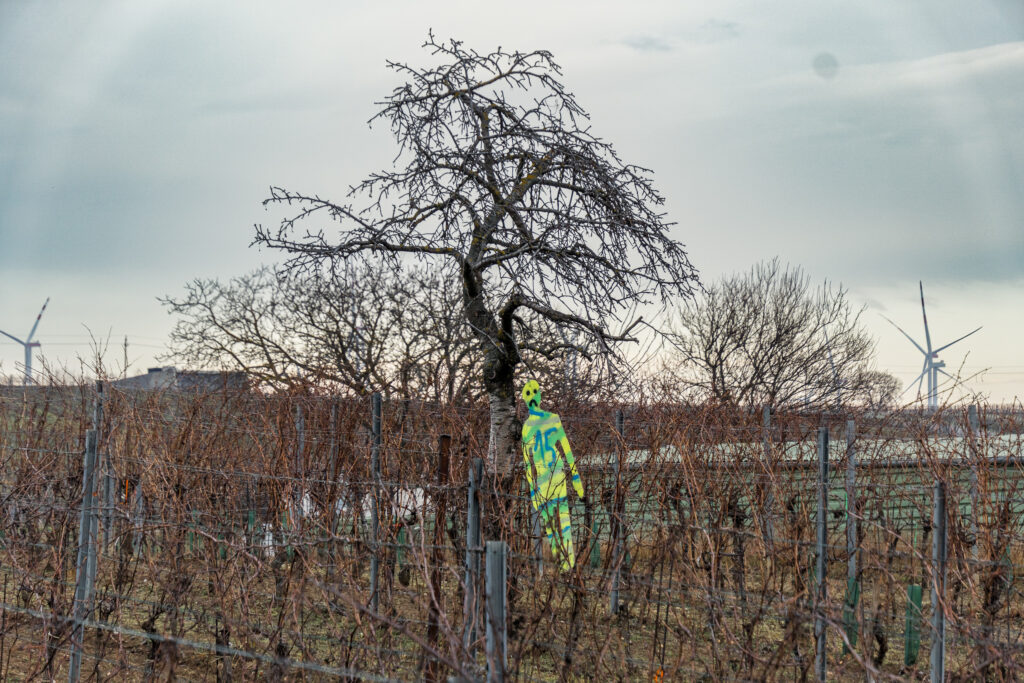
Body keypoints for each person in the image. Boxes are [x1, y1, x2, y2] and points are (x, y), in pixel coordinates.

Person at [520, 379, 585, 571]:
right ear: (525, 399)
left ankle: (569, 566)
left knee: (563, 522)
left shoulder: (553, 419)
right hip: (543, 482)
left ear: (540, 394)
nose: (532, 397)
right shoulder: (526, 428)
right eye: (528, 393)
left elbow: (566, 451)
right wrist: (533, 491)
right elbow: (527, 464)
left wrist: (576, 480)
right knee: (550, 526)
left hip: (557, 476)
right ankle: (564, 567)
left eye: (534, 392)